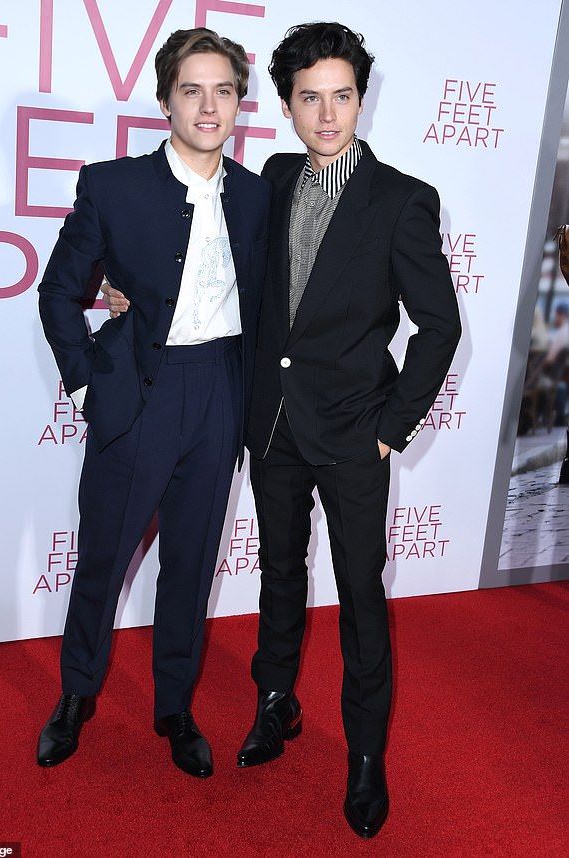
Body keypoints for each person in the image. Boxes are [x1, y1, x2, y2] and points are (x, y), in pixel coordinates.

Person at [103, 21, 461, 839]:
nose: (327, 115)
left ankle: (366, 755)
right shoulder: (272, 176)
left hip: (354, 431)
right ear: (288, 107)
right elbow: (218, 271)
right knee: (278, 574)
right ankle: (275, 704)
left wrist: (391, 429)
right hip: (272, 426)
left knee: (363, 596)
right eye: (310, 98)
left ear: (361, 101)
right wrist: (131, 293)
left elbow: (438, 328)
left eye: (342, 97)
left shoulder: (403, 199)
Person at [36, 27, 270, 778]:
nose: (209, 106)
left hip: (219, 393)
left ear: (240, 102)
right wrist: (83, 383)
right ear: (166, 99)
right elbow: (59, 293)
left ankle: (174, 707)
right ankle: (75, 697)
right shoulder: (113, 184)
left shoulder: (259, 195)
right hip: (136, 393)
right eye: (192, 90)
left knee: (192, 565)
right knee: (102, 561)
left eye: (224, 90)